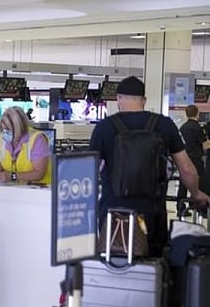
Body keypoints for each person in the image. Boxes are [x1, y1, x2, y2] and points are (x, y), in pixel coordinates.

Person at [89, 76, 210, 257]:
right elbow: (186, 169)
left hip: (113, 212)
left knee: (113, 264)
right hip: (152, 212)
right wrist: (196, 193)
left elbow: (90, 170)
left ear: (118, 99)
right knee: (153, 267)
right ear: (144, 100)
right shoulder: (164, 124)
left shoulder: (104, 127)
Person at [0, 106, 51, 184]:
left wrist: (12, 176)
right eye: (3, 129)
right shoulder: (0, 139)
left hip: (38, 191)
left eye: (8, 129)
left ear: (18, 127)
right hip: (11, 190)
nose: (4, 133)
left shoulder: (37, 139)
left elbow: (39, 173)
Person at [177, 104, 210, 216]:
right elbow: (205, 144)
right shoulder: (197, 127)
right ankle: (201, 209)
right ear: (197, 114)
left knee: (183, 184)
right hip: (196, 159)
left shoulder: (183, 127)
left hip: (184, 158)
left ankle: (180, 208)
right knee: (200, 183)